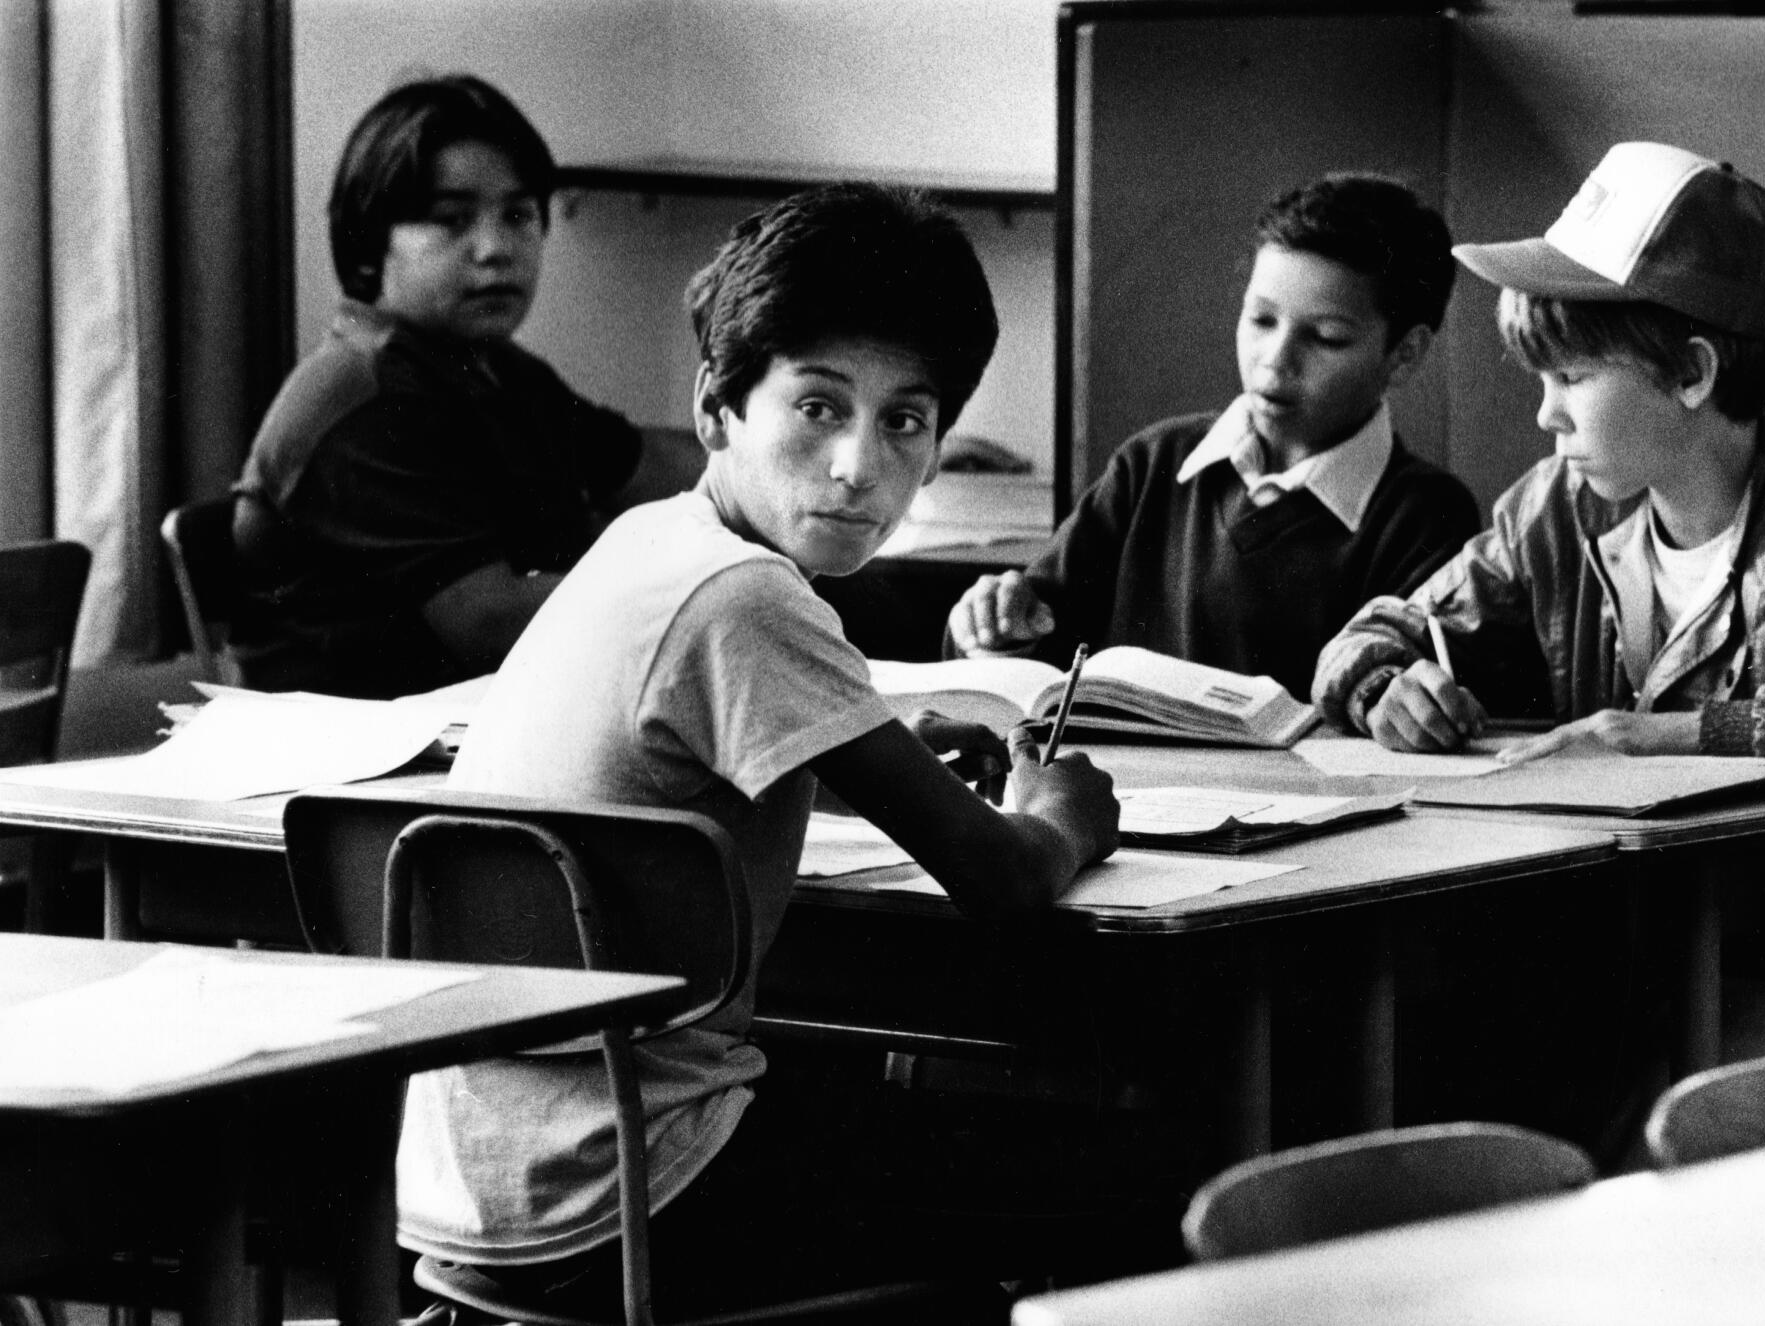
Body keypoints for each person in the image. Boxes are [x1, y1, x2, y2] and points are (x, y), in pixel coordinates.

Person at [394, 183, 1121, 1317]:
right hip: (642, 1196)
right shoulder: (748, 597)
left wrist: (875, 753)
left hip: (474, 1196)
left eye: (904, 421)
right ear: (718, 409)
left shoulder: (651, 540)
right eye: (819, 408)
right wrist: (1063, 801)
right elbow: (1005, 877)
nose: (856, 466)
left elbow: (679, 759)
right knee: (1132, 1178)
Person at [1312, 140, 1765, 771]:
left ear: (1691, 375)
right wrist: (1383, 688)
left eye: (1572, 378)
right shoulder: (1553, 510)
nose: (1546, 413)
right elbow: (1376, 635)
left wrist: (1701, 732)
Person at [229, 75, 705, 699]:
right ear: (372, 244)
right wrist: (706, 585)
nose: (495, 249)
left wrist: (778, 462)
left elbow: (647, 465)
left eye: (518, 215)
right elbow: (489, 621)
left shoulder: (490, 368)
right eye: (452, 221)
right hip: (353, 753)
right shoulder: (369, 395)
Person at [947, 172, 1480, 702]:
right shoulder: (1152, 463)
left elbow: (1412, 703)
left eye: (1327, 338)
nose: (1276, 360)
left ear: (1404, 355)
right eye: (1261, 319)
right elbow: (1034, 640)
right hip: (1128, 786)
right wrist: (993, 623)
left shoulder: (1426, 515)